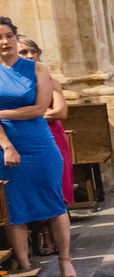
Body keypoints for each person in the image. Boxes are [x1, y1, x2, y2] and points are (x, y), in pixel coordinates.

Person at [0, 19, 72, 277]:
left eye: (9, 36)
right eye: (0, 37)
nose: (5, 42)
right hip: (4, 144)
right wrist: (6, 145)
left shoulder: (37, 69)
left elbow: (39, 108)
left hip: (39, 142)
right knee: (13, 207)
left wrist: (1, 113)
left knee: (54, 201)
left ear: (15, 37)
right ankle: (25, 268)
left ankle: (65, 260)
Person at [16, 37, 74, 207]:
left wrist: (24, 115)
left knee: (55, 189)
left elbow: (60, 111)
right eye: (24, 52)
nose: (29, 56)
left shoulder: (50, 81)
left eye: (33, 52)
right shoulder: (10, 84)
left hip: (53, 136)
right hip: (23, 140)